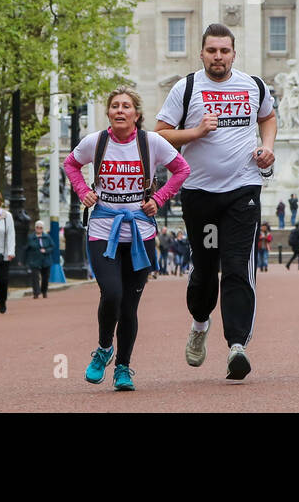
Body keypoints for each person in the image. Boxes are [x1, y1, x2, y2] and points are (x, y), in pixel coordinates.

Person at [155, 23, 276, 382]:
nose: (218, 57)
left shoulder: (253, 85)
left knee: (238, 267)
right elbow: (160, 135)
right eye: (212, 51)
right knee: (206, 269)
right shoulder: (186, 88)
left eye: (224, 51)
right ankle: (199, 323)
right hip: (200, 194)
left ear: (233, 53)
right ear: (202, 53)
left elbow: (268, 118)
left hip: (243, 190)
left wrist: (267, 148)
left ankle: (237, 345)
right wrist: (196, 132)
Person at [64, 88, 189, 391]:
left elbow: (181, 170)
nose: (120, 111)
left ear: (136, 113)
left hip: (140, 233)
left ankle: (123, 367)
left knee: (129, 307)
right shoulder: (96, 143)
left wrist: (158, 199)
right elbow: (70, 164)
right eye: (115, 106)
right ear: (108, 112)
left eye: (126, 106)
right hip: (103, 230)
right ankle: (104, 348)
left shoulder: (151, 143)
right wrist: (83, 192)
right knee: (112, 294)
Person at [25, 220, 54, 299]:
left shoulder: (47, 237)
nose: (39, 229)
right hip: (34, 260)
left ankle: (44, 291)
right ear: (35, 228)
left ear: (43, 229)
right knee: (35, 277)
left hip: (46, 260)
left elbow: (52, 246)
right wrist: (25, 260)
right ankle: (36, 293)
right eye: (37, 227)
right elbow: (26, 248)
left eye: (40, 228)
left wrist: (46, 250)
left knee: (45, 278)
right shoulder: (31, 237)